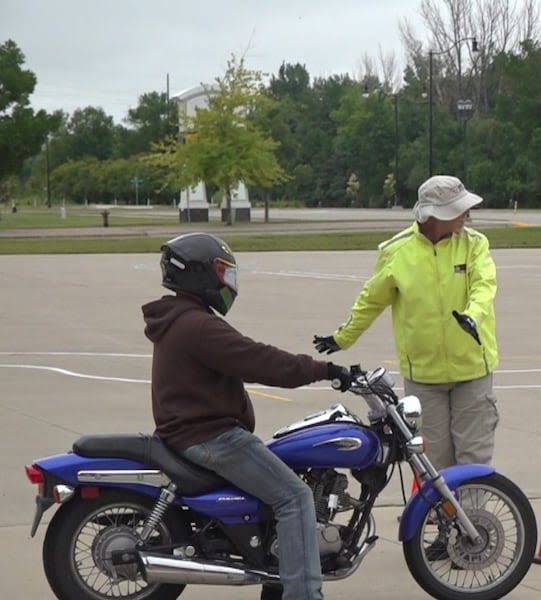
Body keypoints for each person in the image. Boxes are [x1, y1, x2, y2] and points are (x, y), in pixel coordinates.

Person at [144, 232, 352, 600]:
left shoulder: (182, 319)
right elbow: (261, 361)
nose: (227, 282)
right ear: (199, 275)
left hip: (196, 433)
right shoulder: (197, 326)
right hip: (211, 437)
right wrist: (325, 370)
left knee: (283, 490)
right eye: (222, 272)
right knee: (295, 497)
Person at [313, 174, 500, 472]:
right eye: (460, 209)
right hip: (424, 377)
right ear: (436, 214)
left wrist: (473, 316)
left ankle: (472, 520)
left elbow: (484, 285)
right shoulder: (396, 250)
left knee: (474, 459)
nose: (468, 214)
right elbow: (371, 300)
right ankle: (444, 520)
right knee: (433, 463)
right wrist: (342, 338)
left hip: (473, 371)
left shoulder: (475, 244)